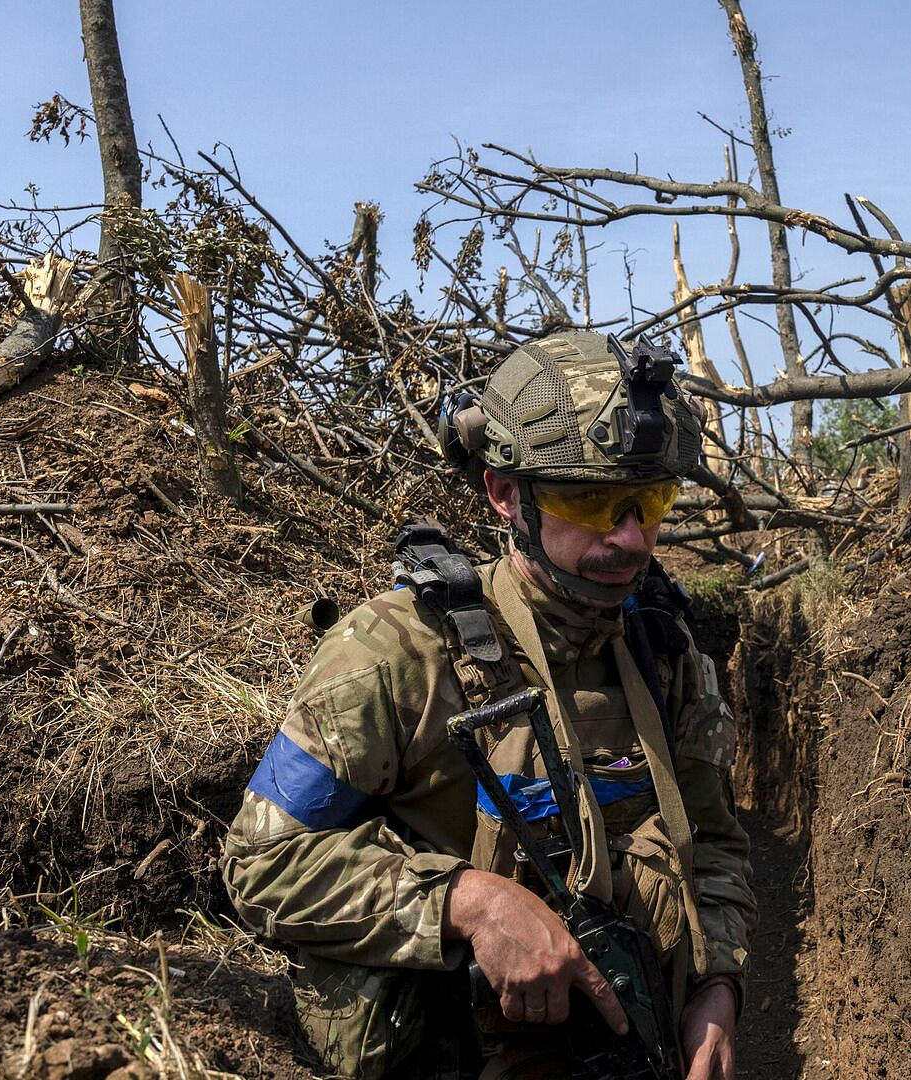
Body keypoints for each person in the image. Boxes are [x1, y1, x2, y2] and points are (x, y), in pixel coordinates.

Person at [222, 331, 756, 1080]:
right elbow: (262, 862)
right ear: (506, 495)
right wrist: (467, 902)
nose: (633, 536)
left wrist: (718, 988)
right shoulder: (394, 653)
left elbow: (715, 844)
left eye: (653, 500)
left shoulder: (664, 653)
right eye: (592, 501)